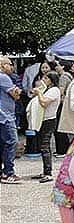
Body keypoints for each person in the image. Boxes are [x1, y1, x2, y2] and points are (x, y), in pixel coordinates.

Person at [34, 71, 62, 182]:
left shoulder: (54, 90)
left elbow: (44, 103)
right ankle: (45, 171)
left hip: (49, 120)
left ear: (52, 80)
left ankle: (48, 172)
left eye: (46, 78)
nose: (43, 80)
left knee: (45, 145)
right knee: (43, 145)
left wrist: (38, 93)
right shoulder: (48, 90)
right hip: (44, 119)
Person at [1, 56, 22, 184]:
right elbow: (15, 95)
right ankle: (8, 172)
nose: (12, 66)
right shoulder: (4, 78)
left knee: (2, 144)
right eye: (9, 64)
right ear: (3, 65)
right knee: (12, 142)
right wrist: (17, 91)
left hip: (2, 115)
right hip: (5, 116)